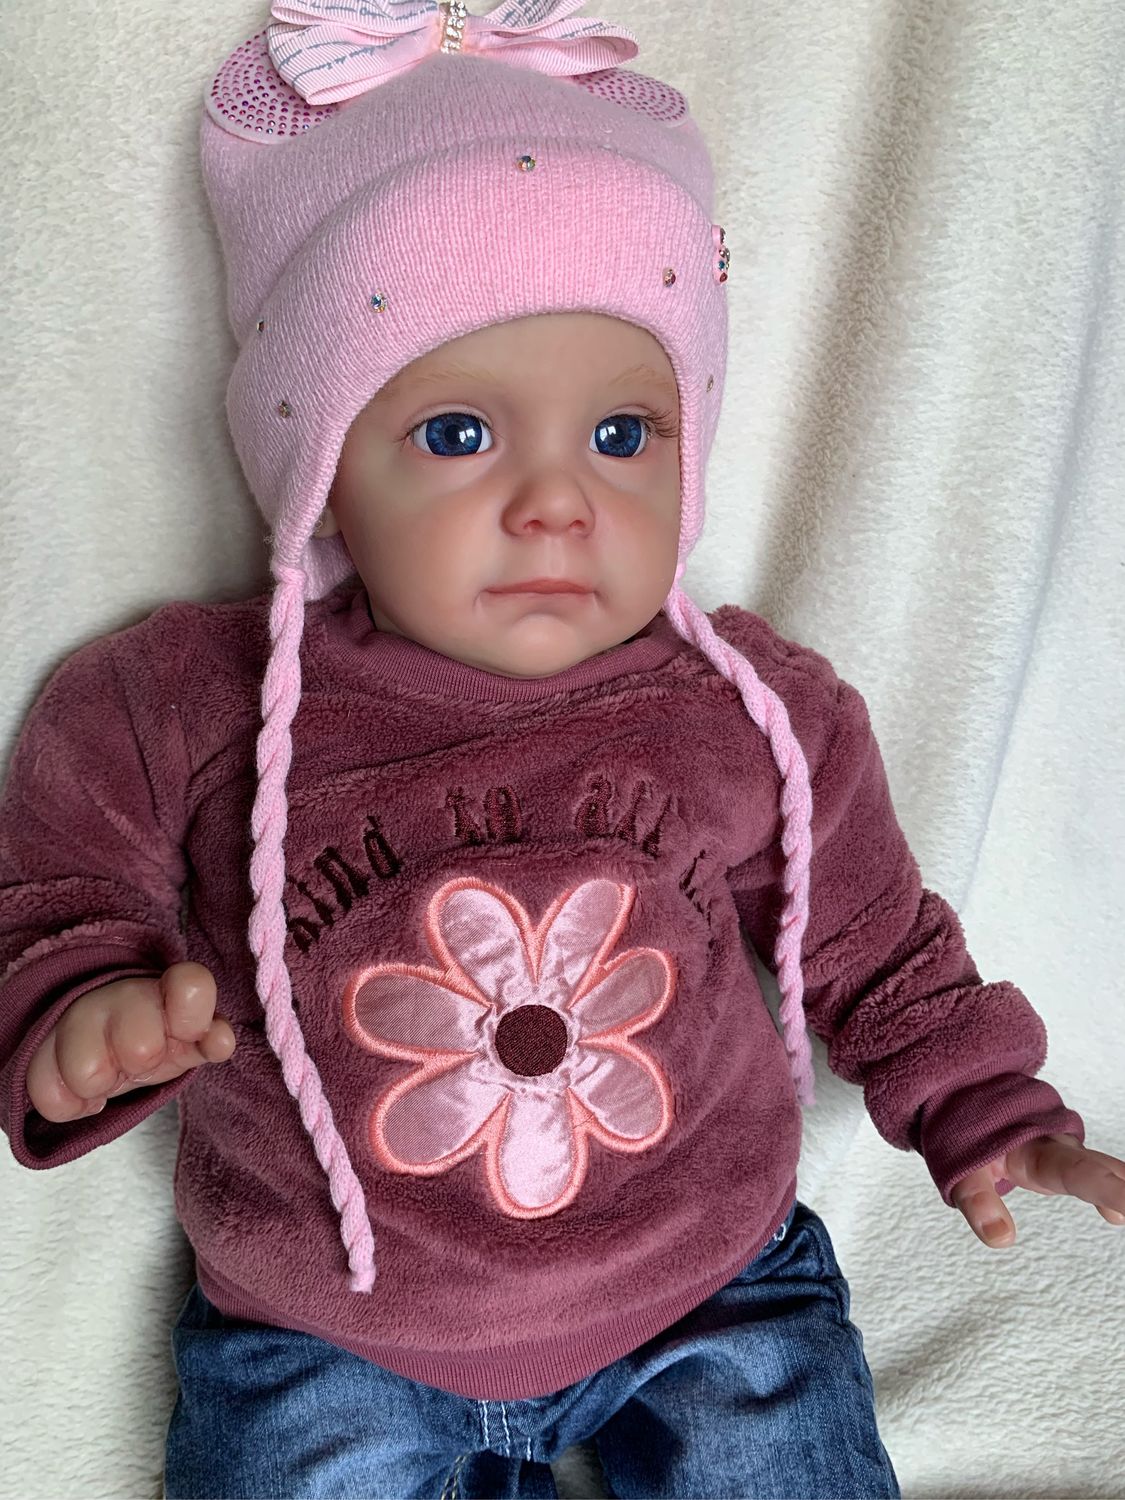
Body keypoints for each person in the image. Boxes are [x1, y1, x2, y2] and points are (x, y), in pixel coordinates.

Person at [1, 2, 1122, 1497]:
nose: (556, 503)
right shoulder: (181, 705)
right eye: (460, 435)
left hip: (709, 1289)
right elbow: (56, 894)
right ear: (320, 467)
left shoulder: (754, 710)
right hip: (327, 1330)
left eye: (622, 435)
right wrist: (85, 1016)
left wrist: (988, 1112)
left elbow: (876, 946)